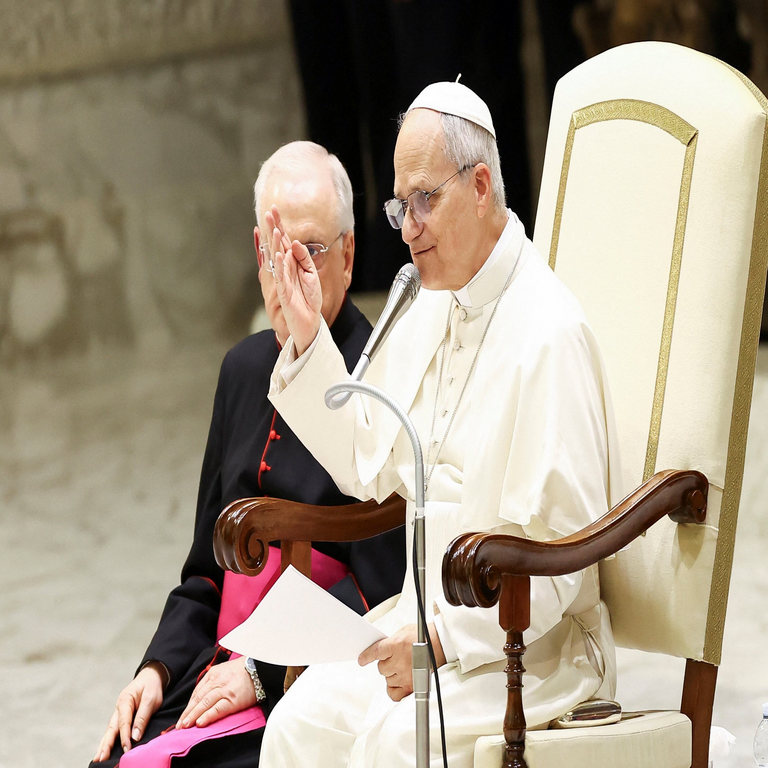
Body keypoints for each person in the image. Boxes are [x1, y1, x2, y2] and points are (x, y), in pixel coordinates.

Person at [259, 82, 622, 767]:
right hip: (419, 634)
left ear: (481, 185)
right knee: (297, 724)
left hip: (529, 655)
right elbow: (365, 462)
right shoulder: (430, 304)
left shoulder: (550, 332)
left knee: (397, 744)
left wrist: (441, 640)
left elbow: (563, 565)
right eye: (401, 206)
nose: (407, 226)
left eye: (425, 200)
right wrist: (309, 338)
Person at [90, 142, 406, 768]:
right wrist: (155, 669)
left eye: (311, 250)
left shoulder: (385, 375)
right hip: (211, 665)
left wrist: (261, 671)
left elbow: (386, 593)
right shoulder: (242, 368)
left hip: (309, 681)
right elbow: (204, 573)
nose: (290, 272)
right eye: (274, 248)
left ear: (348, 253)